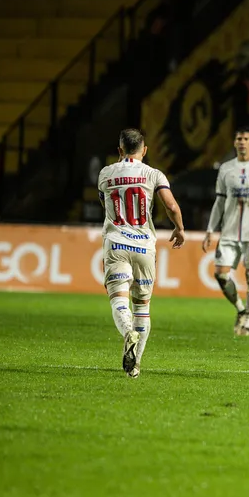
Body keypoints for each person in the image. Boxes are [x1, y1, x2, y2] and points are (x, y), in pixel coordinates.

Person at [97, 128, 185, 378]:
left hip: (116, 243)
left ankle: (127, 332)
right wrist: (179, 228)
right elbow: (171, 205)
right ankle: (134, 367)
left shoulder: (105, 173)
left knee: (118, 299)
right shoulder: (153, 173)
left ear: (119, 150)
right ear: (144, 150)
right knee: (142, 307)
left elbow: (105, 205)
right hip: (144, 246)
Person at [202, 126, 249, 336]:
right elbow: (219, 201)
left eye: (246, 138)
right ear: (235, 143)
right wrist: (210, 229)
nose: (242, 142)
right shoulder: (226, 168)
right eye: (239, 139)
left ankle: (247, 323)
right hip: (229, 232)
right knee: (220, 274)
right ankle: (240, 308)